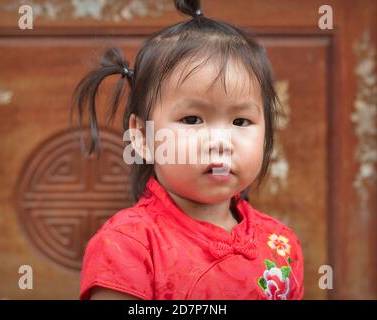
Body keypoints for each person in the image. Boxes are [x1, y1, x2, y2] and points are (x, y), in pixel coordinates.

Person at [70, 0, 304, 300]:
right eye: (192, 119)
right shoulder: (127, 246)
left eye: (241, 121)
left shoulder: (280, 244)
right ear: (142, 136)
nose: (221, 141)